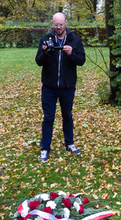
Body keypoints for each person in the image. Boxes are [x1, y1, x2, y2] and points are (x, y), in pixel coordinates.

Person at [35, 12, 86, 163]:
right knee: (48, 118)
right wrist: (45, 52)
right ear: (52, 24)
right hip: (49, 86)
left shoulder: (74, 40)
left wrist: (72, 54)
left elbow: (81, 60)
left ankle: (69, 143)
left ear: (66, 23)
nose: (58, 27)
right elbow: (38, 61)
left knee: (67, 116)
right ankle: (45, 148)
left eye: (61, 24)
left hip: (67, 85)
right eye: (55, 24)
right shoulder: (46, 39)